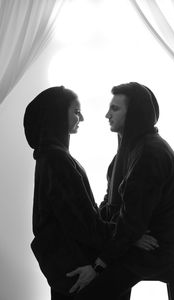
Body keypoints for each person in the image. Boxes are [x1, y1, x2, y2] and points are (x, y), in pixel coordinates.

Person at [71, 82, 174, 300]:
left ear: (134, 114)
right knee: (74, 259)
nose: (107, 114)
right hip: (135, 242)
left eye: (115, 108)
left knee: (82, 293)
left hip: (153, 251)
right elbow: (111, 205)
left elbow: (133, 220)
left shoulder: (150, 154)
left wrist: (99, 265)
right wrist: (126, 233)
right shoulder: (129, 150)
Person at [23, 86, 109, 299]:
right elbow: (82, 224)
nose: (83, 118)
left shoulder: (48, 155)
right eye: (76, 111)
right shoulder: (57, 160)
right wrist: (126, 236)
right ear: (58, 115)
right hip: (76, 270)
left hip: (65, 267)